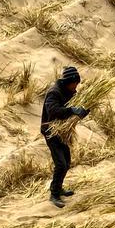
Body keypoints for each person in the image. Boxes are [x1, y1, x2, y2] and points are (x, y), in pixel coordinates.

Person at [40, 66, 89, 209]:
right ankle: (54, 194)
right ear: (69, 81)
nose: (76, 86)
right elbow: (53, 111)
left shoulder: (69, 91)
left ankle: (59, 188)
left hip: (62, 131)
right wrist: (72, 110)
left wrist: (83, 110)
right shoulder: (54, 93)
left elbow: (74, 109)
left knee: (66, 162)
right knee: (60, 164)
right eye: (75, 83)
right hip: (51, 131)